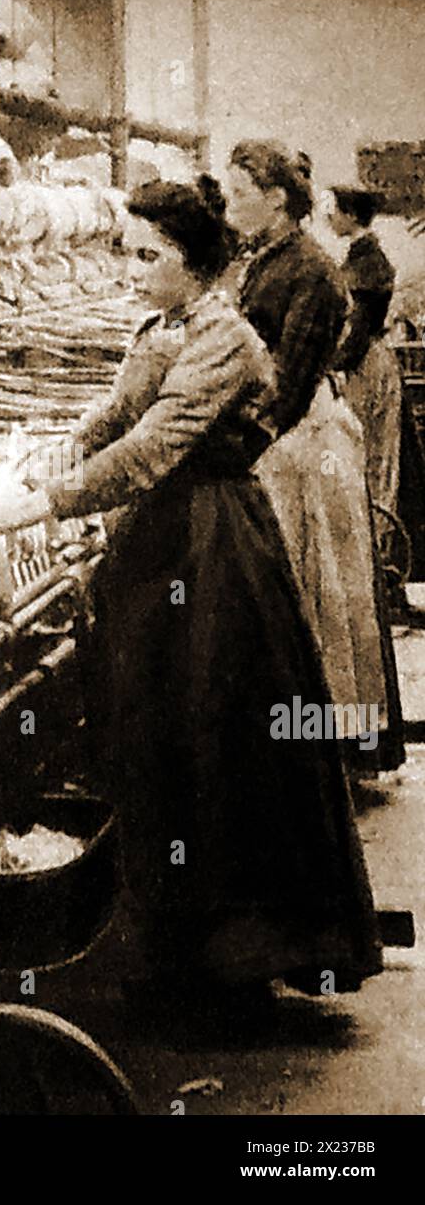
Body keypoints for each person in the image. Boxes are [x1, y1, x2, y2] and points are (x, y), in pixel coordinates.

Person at [0, 174, 382, 1009]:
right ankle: (171, 946)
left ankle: (232, 961)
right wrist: (52, 451)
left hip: (212, 548)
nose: (132, 269)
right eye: (129, 252)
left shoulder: (225, 336)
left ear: (193, 263)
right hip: (157, 547)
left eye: (147, 256)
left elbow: (159, 444)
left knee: (218, 740)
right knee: (159, 740)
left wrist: (45, 503)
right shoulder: (162, 323)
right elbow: (118, 417)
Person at [223, 144, 403, 774]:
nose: (231, 203)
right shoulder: (266, 260)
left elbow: (289, 387)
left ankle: (312, 759)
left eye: (240, 192)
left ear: (275, 199)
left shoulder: (314, 270)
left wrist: (228, 446)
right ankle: (290, 756)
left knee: (315, 598)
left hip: (302, 449)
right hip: (287, 443)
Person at [330, 186, 425, 604]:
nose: (327, 217)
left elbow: (360, 329)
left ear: (351, 215)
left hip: (365, 366)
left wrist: (332, 365)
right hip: (359, 363)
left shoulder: (369, 262)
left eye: (332, 210)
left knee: (373, 461)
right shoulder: (355, 258)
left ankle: (378, 567)